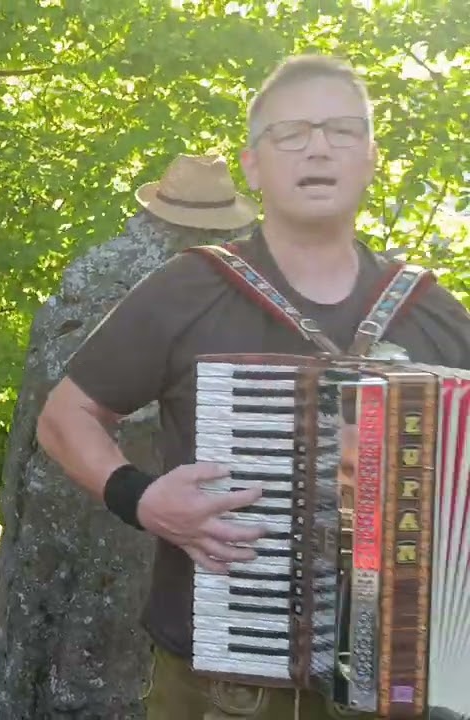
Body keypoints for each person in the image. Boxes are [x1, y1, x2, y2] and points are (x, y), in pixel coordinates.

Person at [36, 54, 470, 720]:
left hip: (403, 686)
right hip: (220, 691)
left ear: (370, 157)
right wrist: (140, 497)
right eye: (290, 133)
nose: (318, 148)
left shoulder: (434, 312)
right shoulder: (188, 288)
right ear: (253, 166)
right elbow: (66, 416)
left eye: (341, 130)